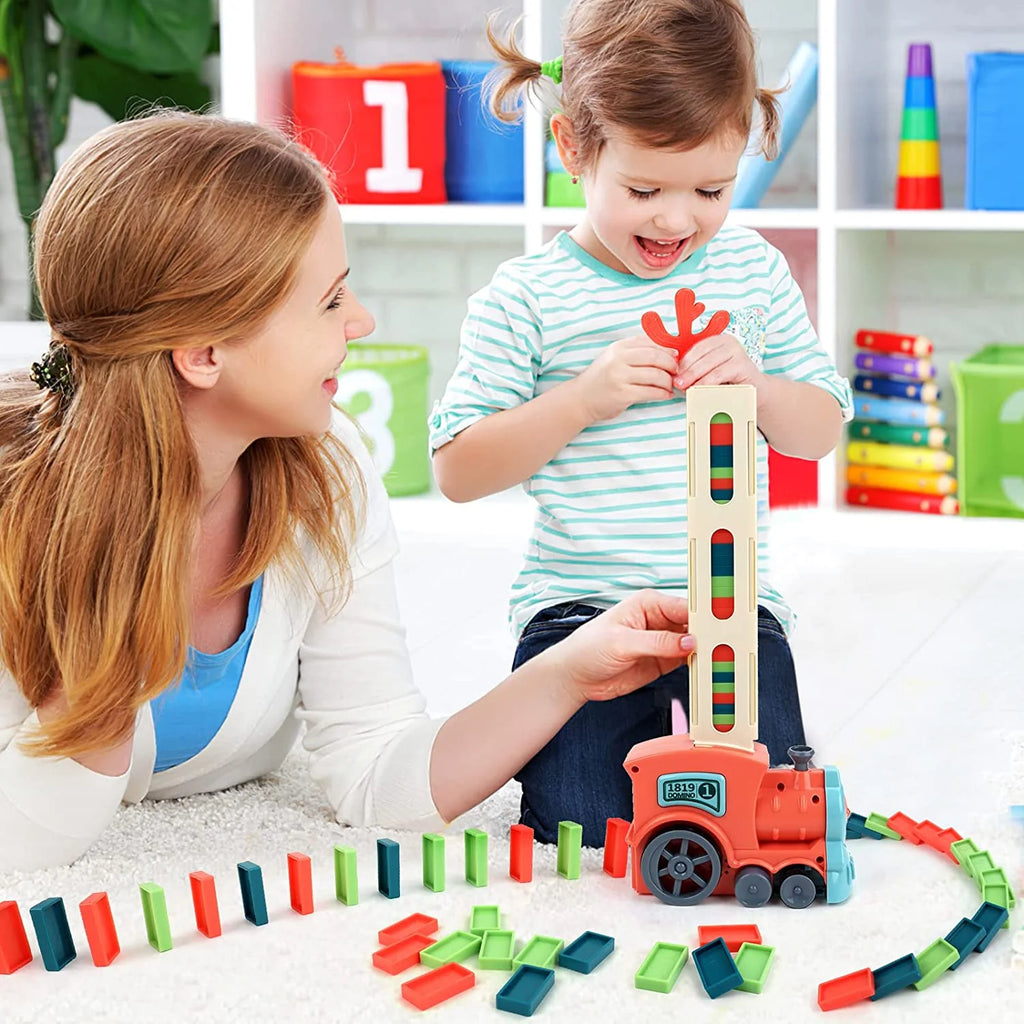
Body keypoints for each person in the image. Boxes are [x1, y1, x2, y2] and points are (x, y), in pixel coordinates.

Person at [0, 111, 698, 872]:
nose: (361, 322)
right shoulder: (21, 514)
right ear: (202, 352)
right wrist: (114, 583)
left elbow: (375, 772)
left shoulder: (323, 463)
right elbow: (20, 843)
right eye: (330, 301)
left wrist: (567, 670)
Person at [430, 0, 853, 846]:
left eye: (711, 189)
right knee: (584, 829)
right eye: (643, 189)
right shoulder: (528, 297)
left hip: (731, 607)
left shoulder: (753, 271)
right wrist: (582, 399)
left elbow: (819, 430)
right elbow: (458, 469)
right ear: (574, 152)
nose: (675, 220)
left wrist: (760, 388)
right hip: (579, 612)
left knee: (763, 819)